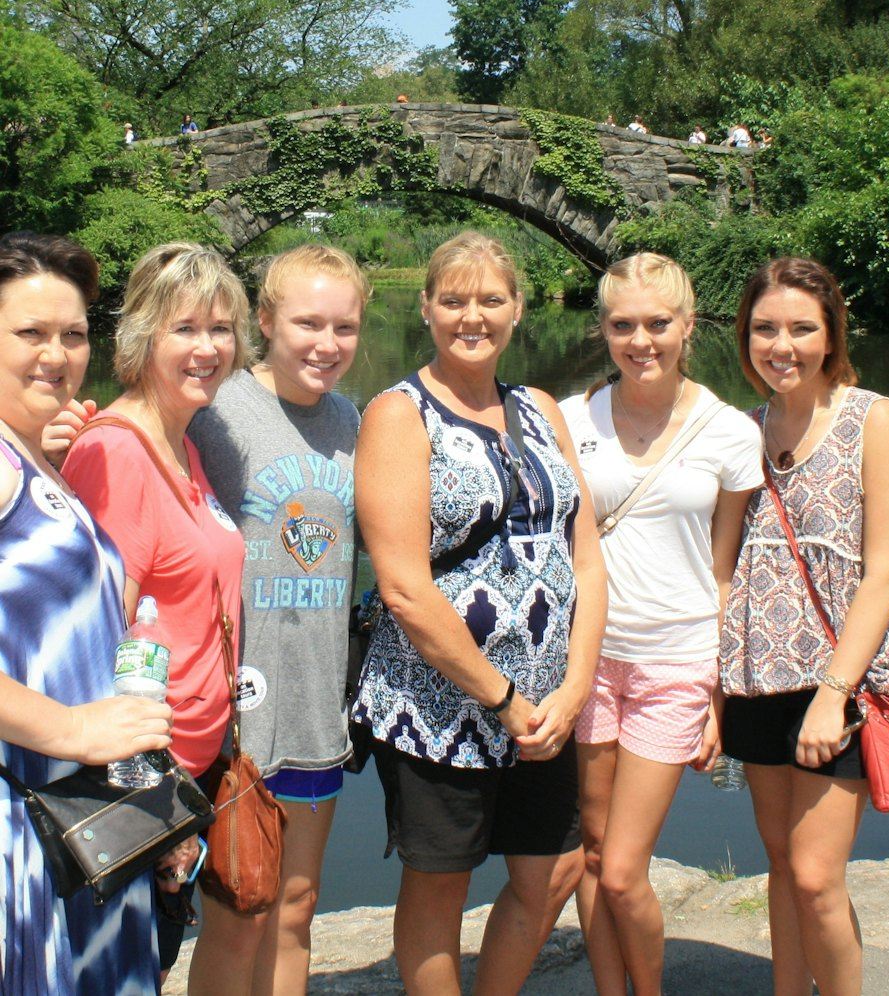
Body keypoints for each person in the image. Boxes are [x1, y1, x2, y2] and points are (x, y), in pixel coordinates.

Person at [350, 231, 607, 996]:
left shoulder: (540, 408)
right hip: (440, 703)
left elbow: (585, 557)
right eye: (454, 299)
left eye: (491, 299)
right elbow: (402, 587)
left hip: (548, 707)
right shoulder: (399, 414)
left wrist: (574, 688)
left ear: (519, 309)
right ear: (426, 307)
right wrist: (502, 698)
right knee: (441, 886)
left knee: (554, 868)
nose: (473, 316)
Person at [720, 257, 889, 996]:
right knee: (780, 864)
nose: (783, 345)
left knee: (815, 876)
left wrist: (834, 694)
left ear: (831, 332)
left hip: (837, 681)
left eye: (802, 328)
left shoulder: (873, 416)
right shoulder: (739, 430)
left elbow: (887, 570)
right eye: (765, 328)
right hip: (754, 677)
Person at [560, 254, 761, 996]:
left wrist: (716, 691)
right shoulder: (570, 418)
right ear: (603, 329)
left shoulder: (728, 432)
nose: (640, 340)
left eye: (657, 323)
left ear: (688, 325)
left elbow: (723, 569)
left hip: (674, 660)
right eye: (622, 325)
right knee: (591, 852)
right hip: (589, 659)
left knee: (622, 869)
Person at [62, 242, 253, 985]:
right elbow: (98, 646)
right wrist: (155, 806)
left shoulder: (184, 445)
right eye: (185, 329)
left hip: (193, 765)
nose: (207, 348)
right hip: (143, 781)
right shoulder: (116, 454)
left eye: (222, 328)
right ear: (142, 335)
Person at [185, 244, 369, 994]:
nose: (326, 344)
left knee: (296, 905)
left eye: (345, 327)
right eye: (307, 322)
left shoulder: (352, 419)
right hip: (237, 708)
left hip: (316, 699)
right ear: (265, 320)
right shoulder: (218, 406)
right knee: (238, 910)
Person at [0, 232, 173, 996]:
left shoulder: (31, 453)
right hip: (22, 817)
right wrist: (72, 731)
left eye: (72, 335)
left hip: (80, 817)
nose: (57, 355)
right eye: (29, 334)